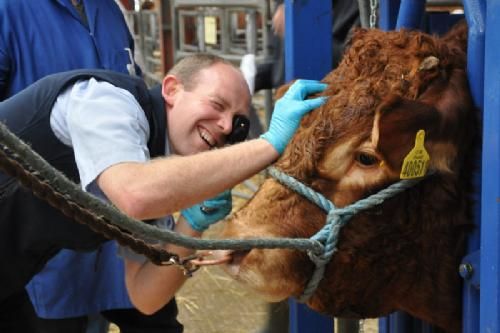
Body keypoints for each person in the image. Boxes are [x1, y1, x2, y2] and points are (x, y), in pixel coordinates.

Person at [0, 53, 327, 331]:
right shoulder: (105, 101)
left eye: (239, 124)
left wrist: (192, 224)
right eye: (217, 104)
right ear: (171, 89)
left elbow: (145, 296)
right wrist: (268, 144)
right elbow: (134, 195)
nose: (227, 127)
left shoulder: (154, 172)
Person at [0, 1, 186, 332]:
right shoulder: (9, 10)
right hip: (51, 244)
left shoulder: (110, 12)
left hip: (125, 232)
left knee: (157, 323)